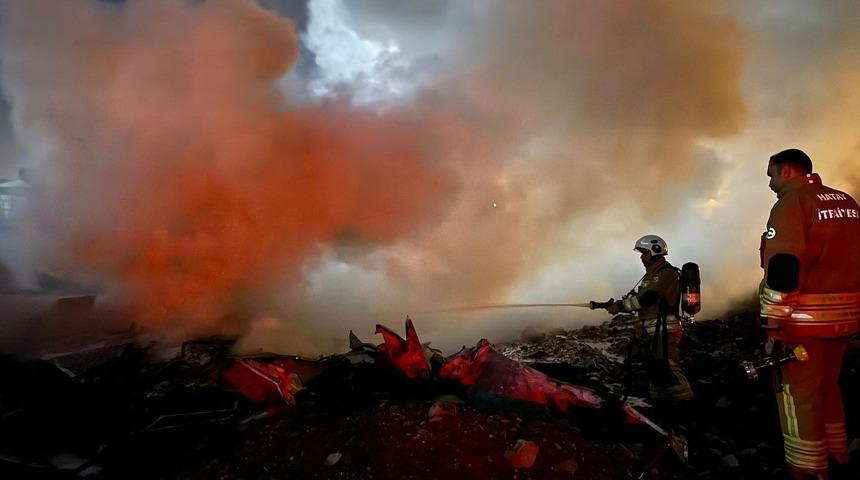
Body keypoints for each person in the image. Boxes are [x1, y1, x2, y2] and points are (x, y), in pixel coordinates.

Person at [758, 148, 860, 480]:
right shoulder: (846, 202)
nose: (770, 183)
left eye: (771, 174)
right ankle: (838, 455)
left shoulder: (791, 204)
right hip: (845, 321)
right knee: (828, 387)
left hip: (804, 325)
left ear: (787, 171)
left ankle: (807, 468)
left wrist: (773, 324)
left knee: (798, 396)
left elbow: (784, 267)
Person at [605, 234, 695, 415]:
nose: (641, 257)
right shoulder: (652, 275)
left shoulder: (666, 274)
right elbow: (641, 298)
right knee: (655, 371)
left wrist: (621, 306)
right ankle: (661, 411)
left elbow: (647, 298)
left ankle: (687, 411)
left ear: (655, 252)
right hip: (652, 333)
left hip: (664, 331)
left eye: (644, 253)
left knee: (670, 368)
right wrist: (615, 305)